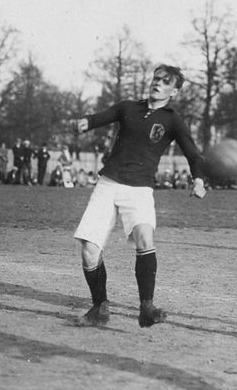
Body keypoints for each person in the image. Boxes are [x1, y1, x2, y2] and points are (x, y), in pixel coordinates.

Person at [71, 64, 207, 328]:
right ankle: (99, 307)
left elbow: (193, 154)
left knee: (145, 237)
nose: (158, 83)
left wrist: (199, 179)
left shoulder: (173, 120)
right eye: (156, 78)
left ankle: (147, 307)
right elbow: (101, 117)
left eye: (165, 82)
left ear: (174, 91)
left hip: (140, 189)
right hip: (108, 183)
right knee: (89, 251)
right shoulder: (128, 107)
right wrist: (86, 122)